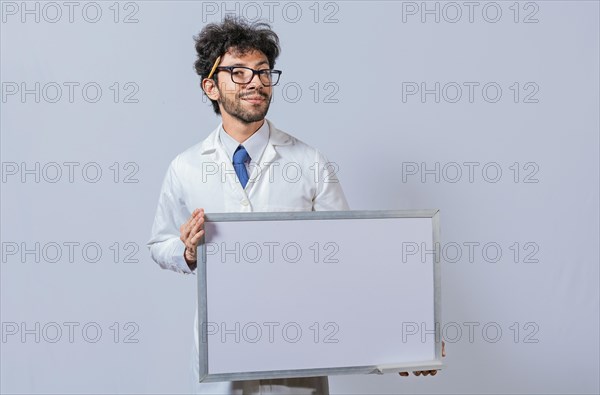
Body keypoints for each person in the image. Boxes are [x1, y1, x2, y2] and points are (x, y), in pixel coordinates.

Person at [147, 16, 348, 394]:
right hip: (221, 354)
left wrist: (404, 341)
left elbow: (350, 256)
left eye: (263, 72)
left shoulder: (309, 162)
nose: (256, 81)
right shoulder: (186, 166)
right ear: (210, 87)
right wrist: (187, 251)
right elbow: (160, 245)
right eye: (238, 72)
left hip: (298, 349)